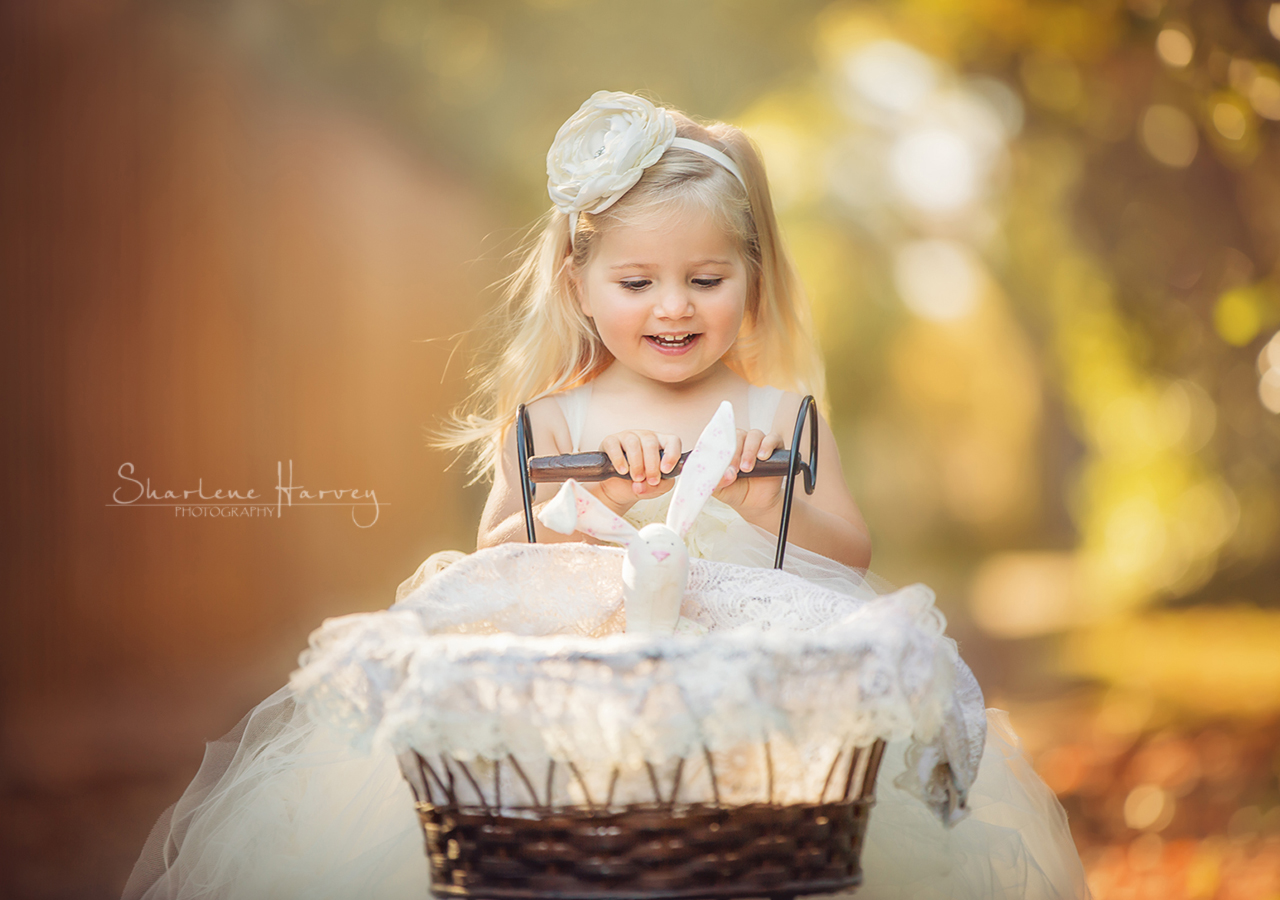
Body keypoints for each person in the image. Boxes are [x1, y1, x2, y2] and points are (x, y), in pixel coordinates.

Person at [125, 91, 1089, 899]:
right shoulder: (553, 422)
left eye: (705, 279)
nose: (673, 306)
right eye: (638, 281)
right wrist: (583, 517)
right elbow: (493, 550)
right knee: (583, 844)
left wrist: (757, 507)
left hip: (746, 707)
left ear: (751, 281)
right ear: (580, 284)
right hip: (573, 717)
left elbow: (851, 547)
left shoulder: (782, 416)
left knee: (733, 844)